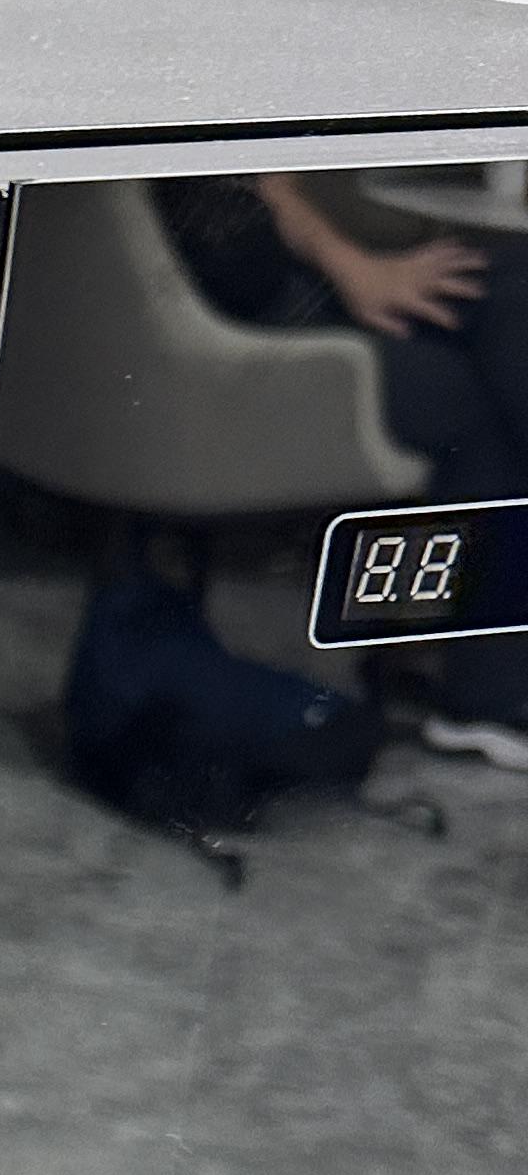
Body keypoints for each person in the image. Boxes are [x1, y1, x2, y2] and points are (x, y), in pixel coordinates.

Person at [155, 171, 528, 764]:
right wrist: (354, 267)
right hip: (233, 304)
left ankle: (489, 696)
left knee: (514, 289)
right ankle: (488, 696)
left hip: (288, 273)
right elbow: (245, 182)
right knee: (470, 390)